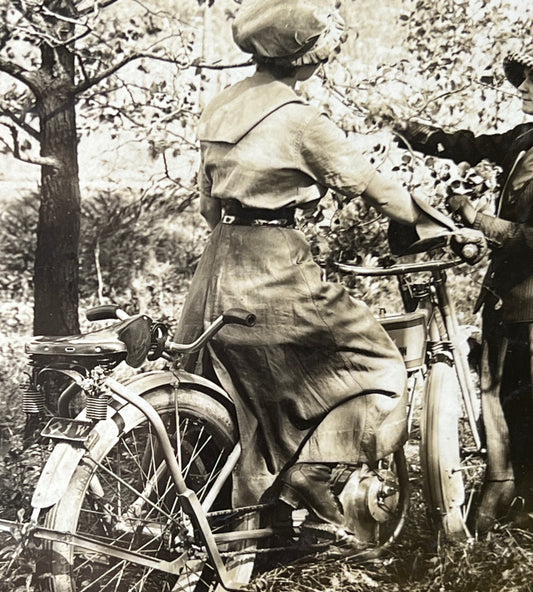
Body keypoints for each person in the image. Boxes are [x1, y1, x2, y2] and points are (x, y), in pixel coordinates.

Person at [176, 0, 484, 546]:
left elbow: (205, 208)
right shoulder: (298, 119)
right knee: (378, 364)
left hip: (215, 267)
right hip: (274, 268)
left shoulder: (220, 107)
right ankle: (311, 473)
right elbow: (374, 188)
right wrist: (441, 226)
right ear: (303, 59)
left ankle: (254, 528)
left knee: (238, 391)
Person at [395, 47, 533, 533]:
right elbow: (469, 145)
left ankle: (515, 509)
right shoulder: (522, 138)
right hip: (504, 301)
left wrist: (478, 220)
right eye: (522, 78)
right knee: (496, 399)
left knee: (524, 405)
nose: (522, 88)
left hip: (530, 309)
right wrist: (408, 130)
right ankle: (503, 493)